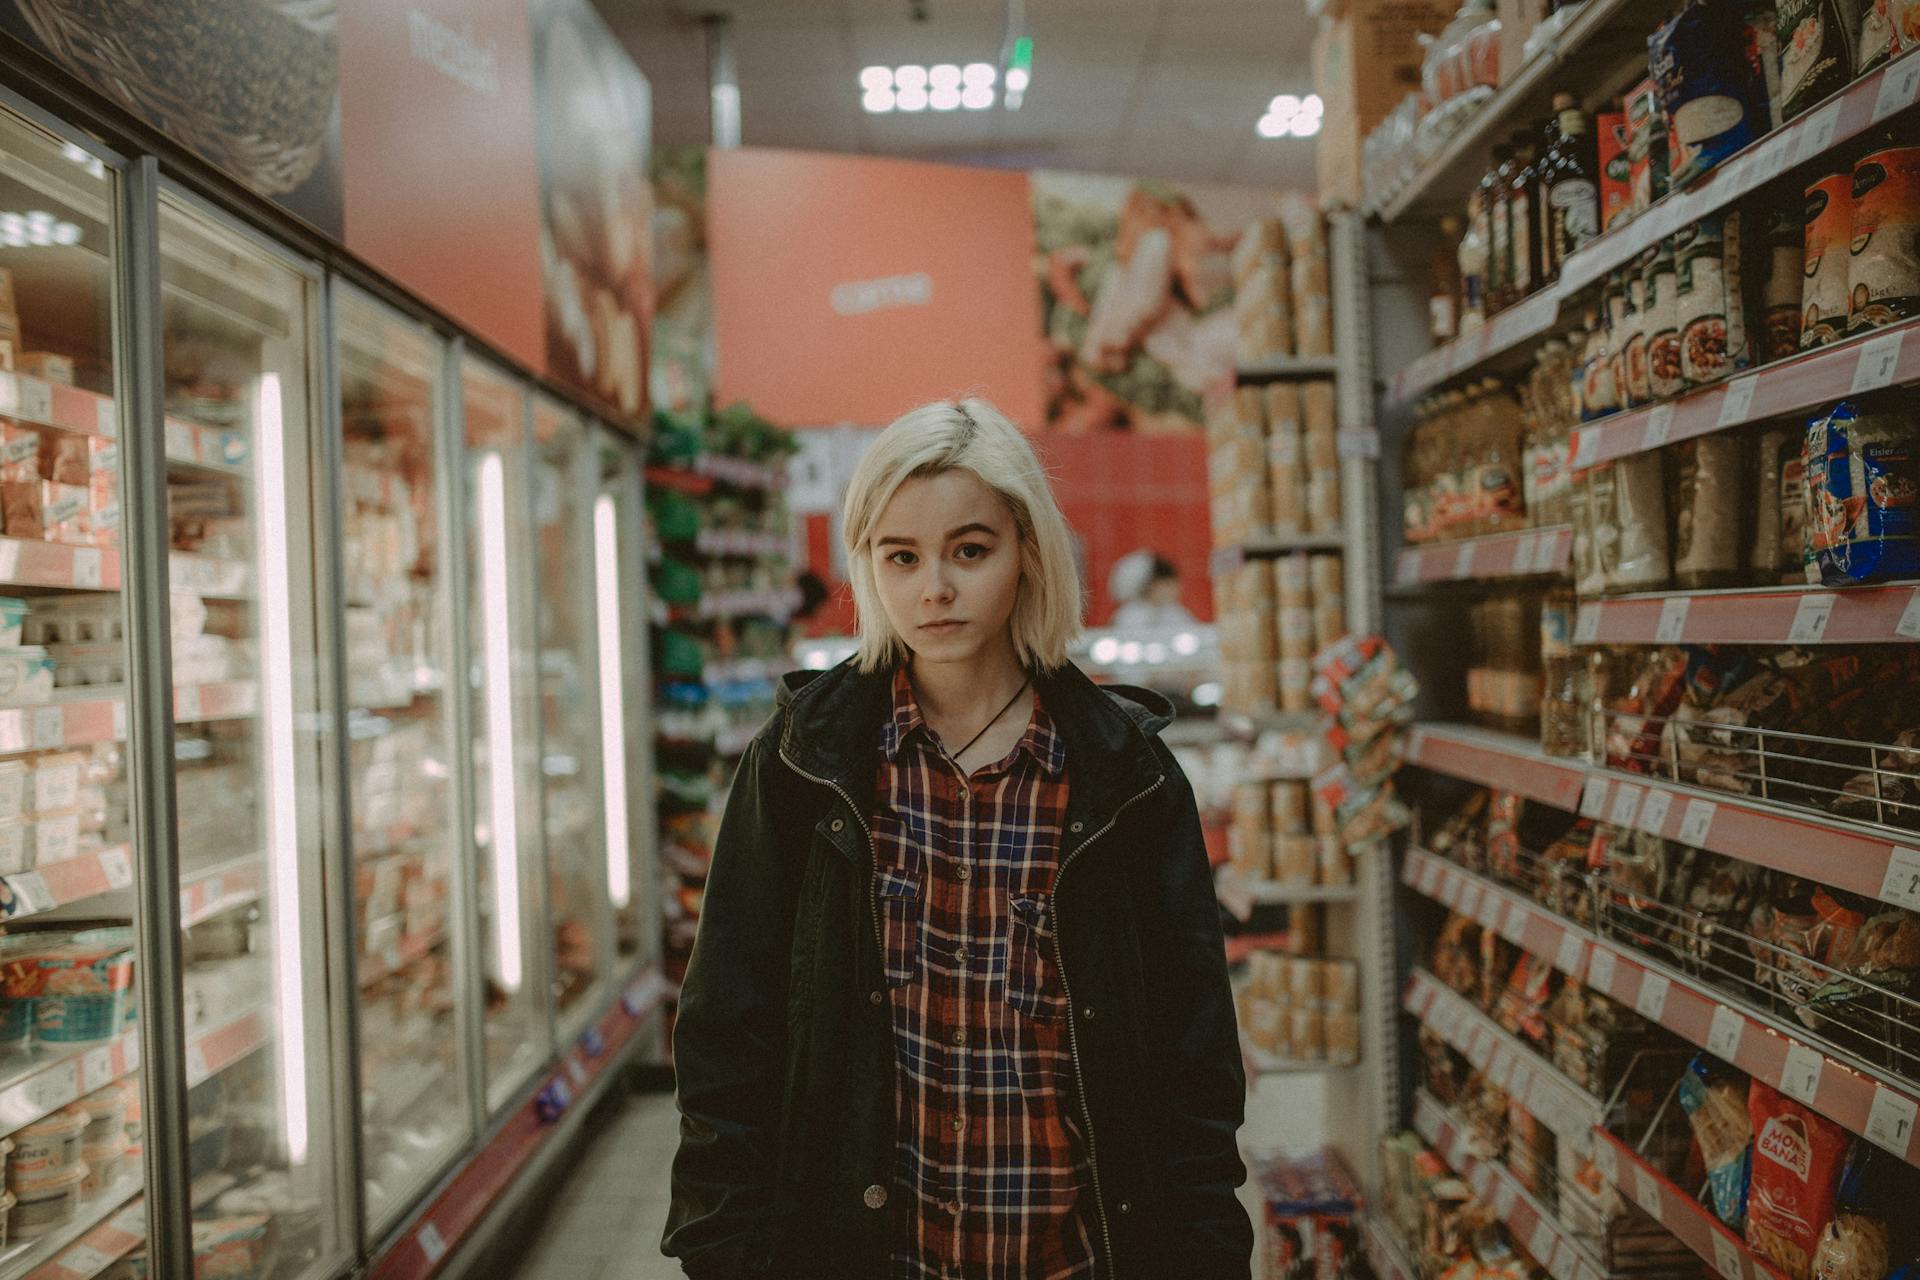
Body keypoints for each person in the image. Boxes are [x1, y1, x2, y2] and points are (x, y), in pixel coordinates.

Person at [663, 398, 1251, 1280]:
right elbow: (724, 1035)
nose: (933, 588)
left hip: (1077, 1256)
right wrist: (724, 1251)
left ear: (1027, 553)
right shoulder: (802, 765)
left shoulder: (1122, 778)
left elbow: (1191, 1057)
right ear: (868, 566)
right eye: (901, 557)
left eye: (969, 551)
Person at [1106, 549, 1197, 632]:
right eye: (1167, 585)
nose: (1176, 589)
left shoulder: (1175, 614)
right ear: (1150, 586)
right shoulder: (1130, 617)